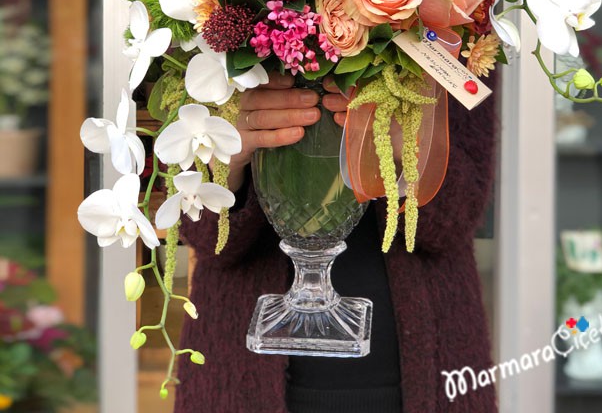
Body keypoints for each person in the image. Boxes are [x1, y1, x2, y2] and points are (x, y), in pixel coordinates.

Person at [173, 72, 498, 413]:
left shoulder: (458, 25)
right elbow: (205, 237)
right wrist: (222, 153)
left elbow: (455, 220)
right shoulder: (203, 38)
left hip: (424, 372)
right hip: (239, 375)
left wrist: (417, 148)